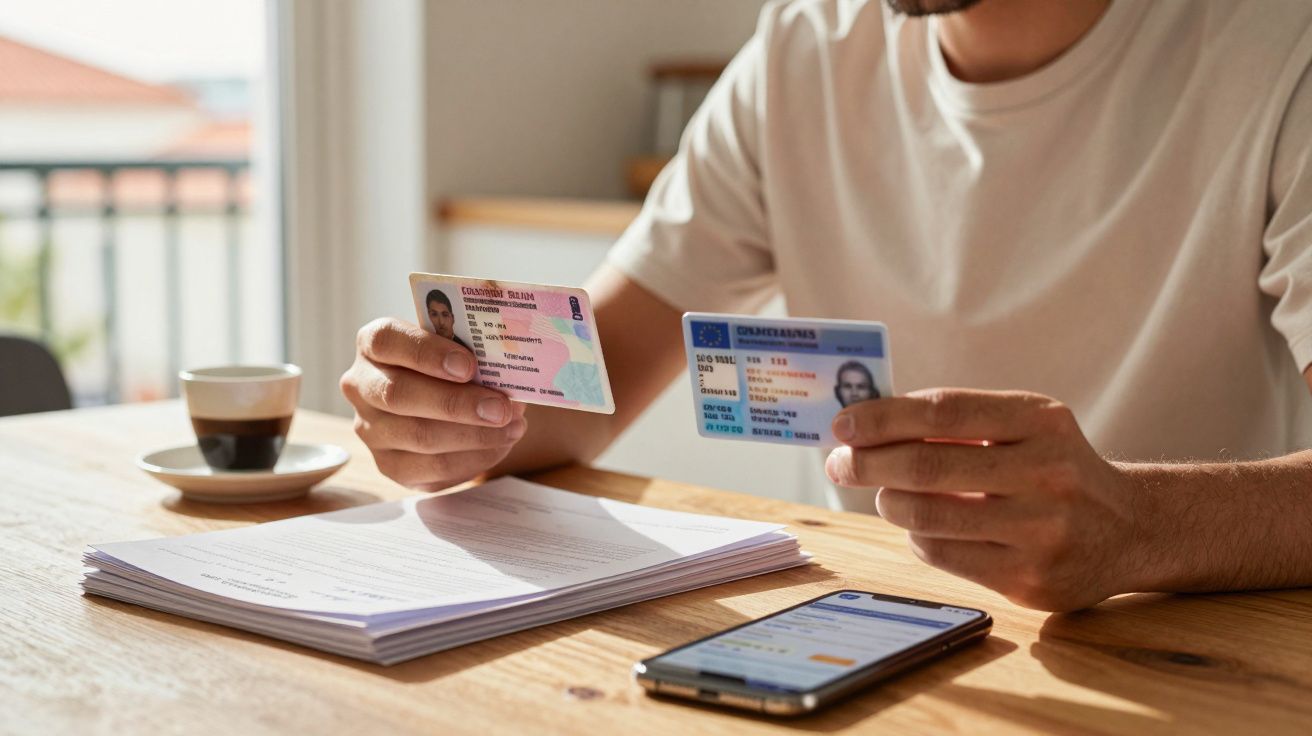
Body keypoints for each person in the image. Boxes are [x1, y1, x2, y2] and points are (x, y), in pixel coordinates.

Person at [341, 0, 1312, 612]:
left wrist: (1139, 524)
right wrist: (451, 412)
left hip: (1188, 647)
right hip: (875, 632)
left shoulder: (1281, 49)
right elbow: (589, 379)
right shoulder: (801, 45)